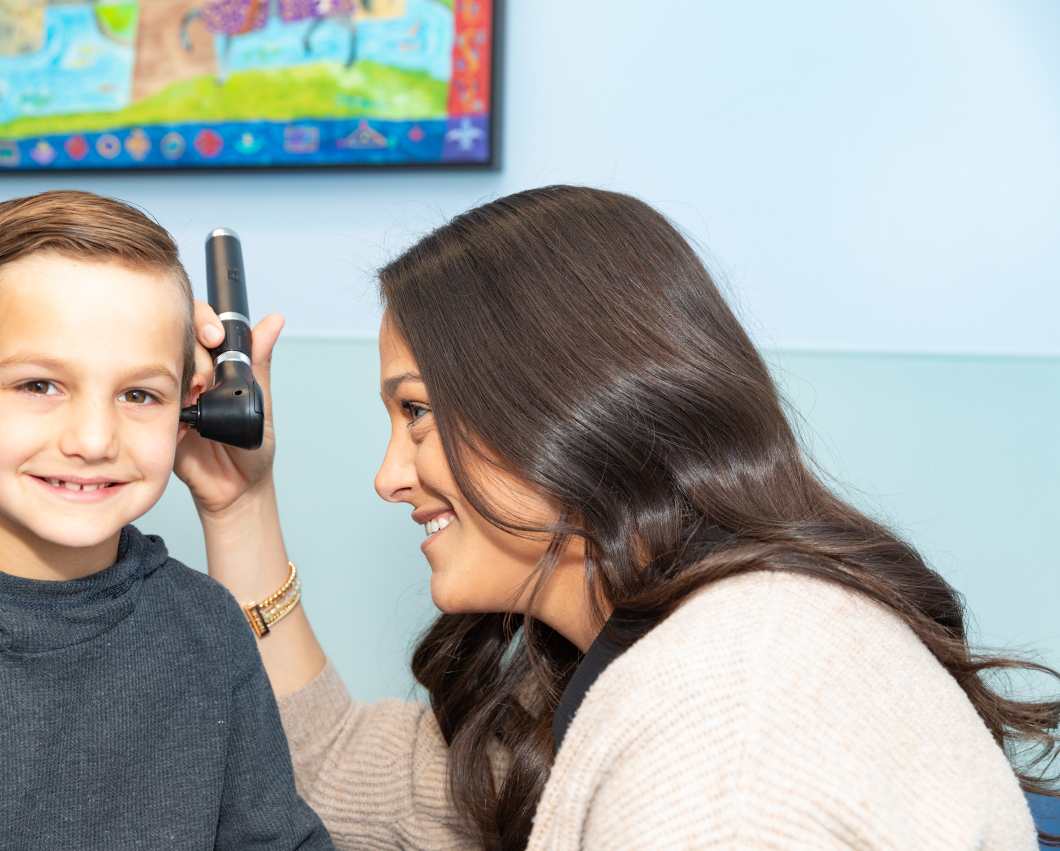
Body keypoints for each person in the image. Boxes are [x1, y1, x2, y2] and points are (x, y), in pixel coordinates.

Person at [178, 185, 1059, 850]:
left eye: (415, 413)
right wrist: (238, 498)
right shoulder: (647, 658)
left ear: (556, 404)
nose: (387, 476)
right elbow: (333, 764)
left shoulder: (722, 743)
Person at [0, 191, 332, 851]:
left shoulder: (210, 628)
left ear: (190, 408)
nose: (94, 438)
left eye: (138, 394)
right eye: (40, 385)